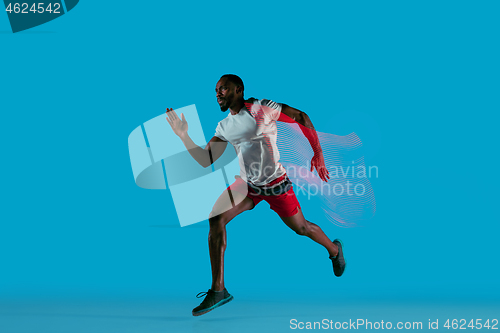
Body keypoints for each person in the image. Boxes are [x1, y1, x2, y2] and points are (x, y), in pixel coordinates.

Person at [165, 74, 345, 316]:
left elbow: (301, 116)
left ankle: (334, 250)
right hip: (247, 186)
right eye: (216, 90)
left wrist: (318, 153)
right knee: (215, 217)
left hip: (276, 185)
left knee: (302, 228)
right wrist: (183, 135)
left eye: (224, 89)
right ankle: (218, 290)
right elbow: (205, 159)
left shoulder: (262, 108)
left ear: (238, 90)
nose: (218, 93)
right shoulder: (225, 126)